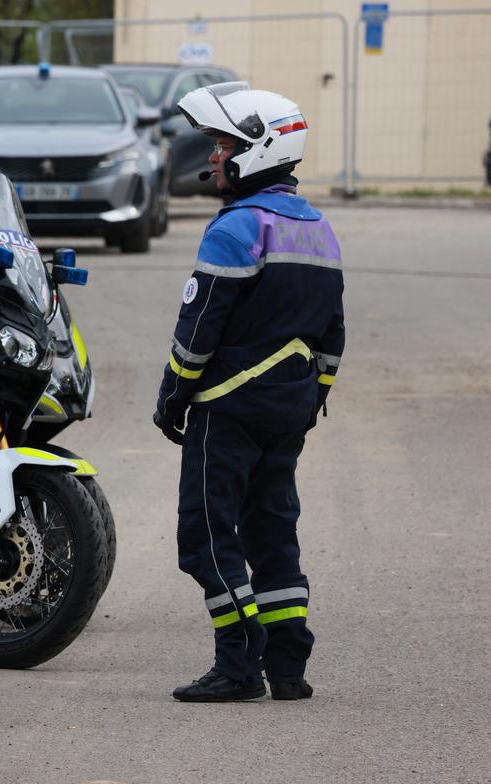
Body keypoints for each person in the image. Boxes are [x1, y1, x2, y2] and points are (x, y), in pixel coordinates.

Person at [151, 82, 345, 702]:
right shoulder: (319, 229)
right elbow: (334, 336)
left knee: (205, 536)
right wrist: (310, 398)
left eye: (222, 143)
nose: (213, 156)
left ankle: (238, 667)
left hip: (227, 410)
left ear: (257, 150)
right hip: (288, 411)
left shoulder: (237, 227)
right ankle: (289, 669)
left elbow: (199, 325)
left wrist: (172, 398)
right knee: (272, 535)